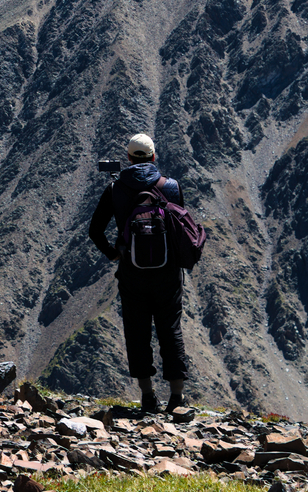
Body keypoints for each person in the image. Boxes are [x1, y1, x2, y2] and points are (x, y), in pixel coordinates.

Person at [88, 132, 190, 412]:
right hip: (167, 273)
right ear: (154, 156)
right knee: (171, 330)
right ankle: (177, 398)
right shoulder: (170, 186)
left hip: (132, 273)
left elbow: (94, 230)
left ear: (129, 159)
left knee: (137, 331)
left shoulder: (115, 189)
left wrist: (114, 253)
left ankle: (148, 397)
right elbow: (180, 225)